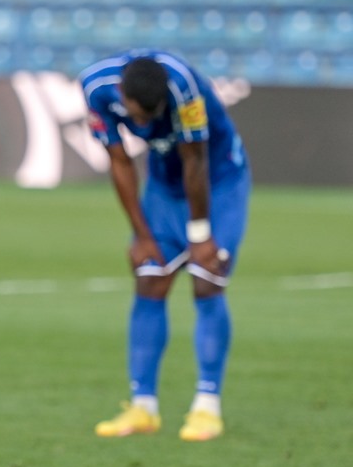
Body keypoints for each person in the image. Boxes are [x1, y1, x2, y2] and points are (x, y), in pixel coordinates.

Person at [79, 50, 250, 442]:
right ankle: (143, 407)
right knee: (150, 277)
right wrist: (141, 234)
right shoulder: (95, 87)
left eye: (150, 116)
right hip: (164, 185)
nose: (142, 124)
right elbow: (119, 161)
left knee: (207, 278)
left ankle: (207, 407)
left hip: (218, 179)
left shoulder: (183, 88)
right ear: (122, 94)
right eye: (136, 115)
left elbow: (195, 160)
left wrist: (201, 233)